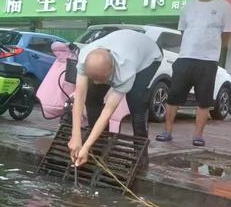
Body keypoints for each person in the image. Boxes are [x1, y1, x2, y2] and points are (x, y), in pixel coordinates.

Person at [156, 0, 231, 147]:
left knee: (204, 99)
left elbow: (227, 34)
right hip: (185, 59)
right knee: (174, 96)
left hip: (208, 61)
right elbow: (183, 32)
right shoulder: (188, 6)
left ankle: (198, 135)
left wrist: (213, 51)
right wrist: (189, 49)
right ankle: (167, 131)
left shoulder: (224, 7)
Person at [68, 29, 162, 167]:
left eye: (102, 80)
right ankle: (100, 147)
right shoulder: (84, 57)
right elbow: (80, 98)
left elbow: (107, 113)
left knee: (135, 100)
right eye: (94, 79)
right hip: (125, 45)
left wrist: (85, 146)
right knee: (92, 96)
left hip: (149, 56)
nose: (97, 83)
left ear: (112, 71)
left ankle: (140, 152)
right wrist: (75, 135)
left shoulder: (125, 72)